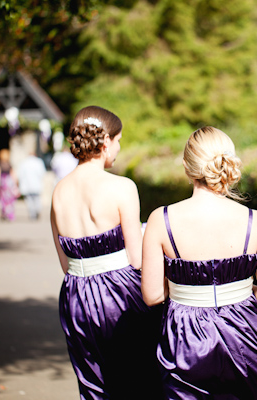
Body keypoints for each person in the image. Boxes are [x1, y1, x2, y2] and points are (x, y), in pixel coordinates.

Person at [142, 126, 257, 399]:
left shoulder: (160, 219)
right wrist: (236, 291)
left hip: (185, 340)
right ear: (229, 165)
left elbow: (153, 295)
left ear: (186, 166)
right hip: (244, 335)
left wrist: (186, 289)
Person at [50, 106, 163, 400]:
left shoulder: (59, 192)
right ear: (104, 142)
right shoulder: (122, 187)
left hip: (76, 295)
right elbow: (138, 259)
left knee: (93, 383)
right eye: (119, 139)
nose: (119, 147)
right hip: (119, 294)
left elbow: (65, 263)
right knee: (137, 379)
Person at [17, 150, 46, 220]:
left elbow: (20, 175)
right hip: (36, 184)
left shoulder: (24, 162)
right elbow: (42, 173)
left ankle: (32, 214)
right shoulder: (38, 162)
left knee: (29, 201)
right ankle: (37, 210)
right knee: (37, 200)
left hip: (27, 185)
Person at [0, 148, 18, 221]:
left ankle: (4, 214)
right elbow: (14, 176)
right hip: (9, 186)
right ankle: (10, 215)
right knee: (10, 202)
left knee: (3, 201)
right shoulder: (9, 165)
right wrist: (16, 185)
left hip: (3, 186)